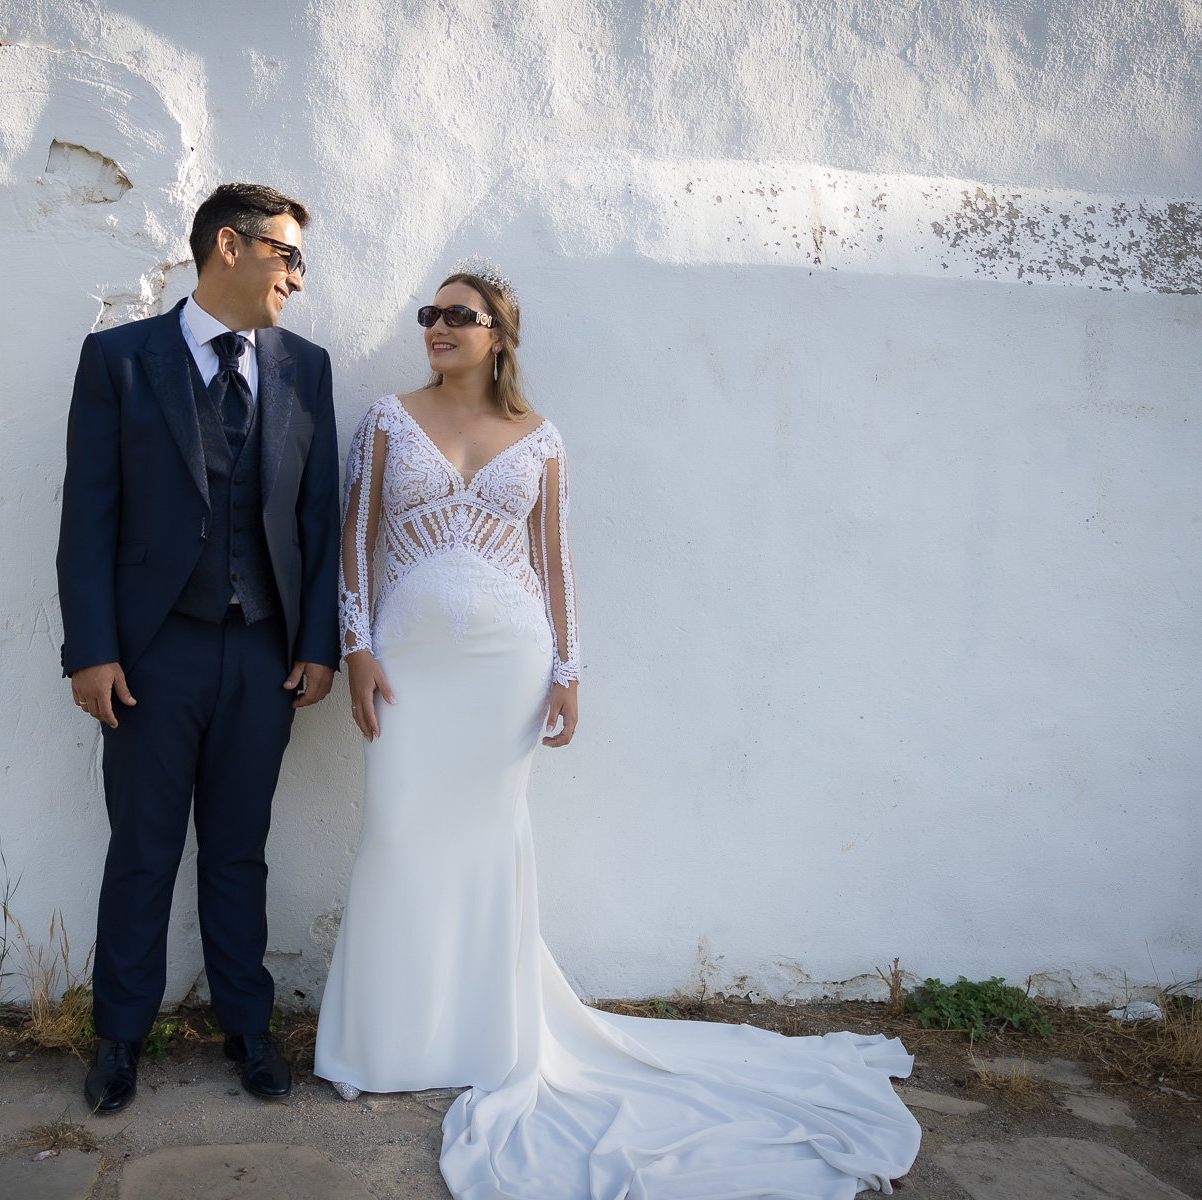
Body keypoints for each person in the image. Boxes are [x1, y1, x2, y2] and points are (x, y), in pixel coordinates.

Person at [313, 258, 922, 1198]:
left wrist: (567, 673)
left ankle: (483, 1040)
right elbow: (353, 541)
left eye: (458, 316)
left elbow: (555, 562)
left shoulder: (540, 437)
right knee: (396, 838)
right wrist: (356, 647)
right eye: (429, 314)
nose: (437, 327)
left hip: (507, 667)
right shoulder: (389, 419)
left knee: (487, 848)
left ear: (499, 334)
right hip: (410, 663)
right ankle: (384, 1044)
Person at [55, 183, 341, 1114]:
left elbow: (316, 519)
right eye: (287, 255)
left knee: (238, 849)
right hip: (151, 654)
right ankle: (119, 1039)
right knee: (141, 847)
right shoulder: (119, 361)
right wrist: (90, 651)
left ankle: (247, 1029)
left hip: (262, 654)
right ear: (231, 245)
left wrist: (318, 646)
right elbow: (86, 517)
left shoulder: (306, 368)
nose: (298, 276)